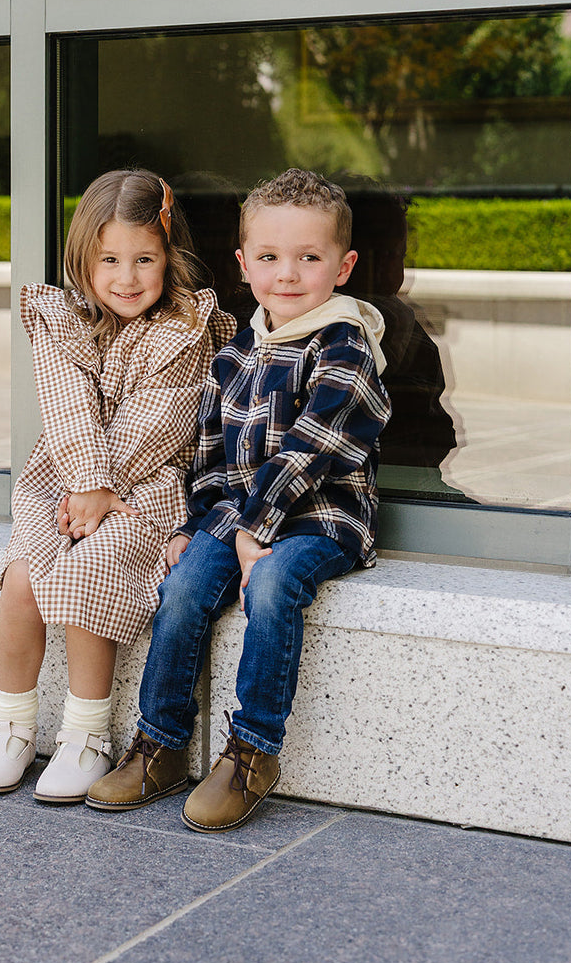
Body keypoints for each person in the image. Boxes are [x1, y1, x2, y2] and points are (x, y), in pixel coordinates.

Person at [86, 167, 391, 832]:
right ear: (243, 263)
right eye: (270, 257)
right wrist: (195, 527)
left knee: (275, 584)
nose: (288, 273)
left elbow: (314, 445)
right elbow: (212, 453)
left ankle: (253, 752)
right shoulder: (241, 349)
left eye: (309, 258)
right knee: (186, 584)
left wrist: (257, 531)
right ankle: (160, 743)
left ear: (343, 266)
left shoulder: (346, 344)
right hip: (239, 516)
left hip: (320, 517)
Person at [0, 169, 235, 803]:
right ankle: (10, 726)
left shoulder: (186, 328)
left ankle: (86, 735)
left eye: (145, 259)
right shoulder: (61, 319)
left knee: (94, 565)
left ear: (171, 257)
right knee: (24, 576)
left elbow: (159, 418)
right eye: (108, 259)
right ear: (83, 259)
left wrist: (104, 487)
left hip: (147, 485)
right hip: (63, 477)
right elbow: (66, 407)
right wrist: (84, 482)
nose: (126, 277)